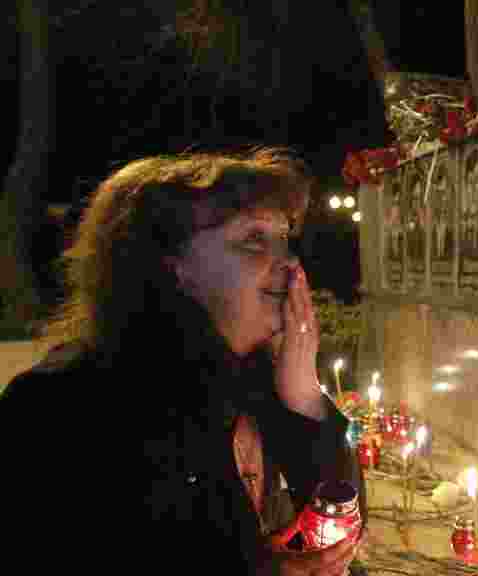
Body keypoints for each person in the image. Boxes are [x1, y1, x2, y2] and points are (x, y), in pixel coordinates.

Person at [1, 149, 367, 575]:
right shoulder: (63, 405)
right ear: (171, 263)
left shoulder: (254, 380)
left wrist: (303, 394)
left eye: (284, 239)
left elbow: (341, 534)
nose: (288, 262)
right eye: (254, 240)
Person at [461, 149, 478, 260]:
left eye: (477, 180)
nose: (475, 188)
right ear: (465, 184)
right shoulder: (460, 223)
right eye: (471, 182)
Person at [432, 166, 454, 261]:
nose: (445, 182)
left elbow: (447, 205)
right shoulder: (438, 192)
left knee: (442, 234)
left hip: (442, 215)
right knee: (439, 235)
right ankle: (439, 253)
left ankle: (441, 253)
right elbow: (436, 205)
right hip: (439, 215)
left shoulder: (443, 192)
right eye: (444, 180)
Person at [406, 172, 426, 263]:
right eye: (417, 186)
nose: (418, 188)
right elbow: (411, 207)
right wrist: (413, 216)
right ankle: (413, 254)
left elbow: (421, 206)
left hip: (419, 216)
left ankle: (419, 255)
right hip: (413, 217)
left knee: (420, 234)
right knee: (413, 235)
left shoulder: (420, 195)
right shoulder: (412, 196)